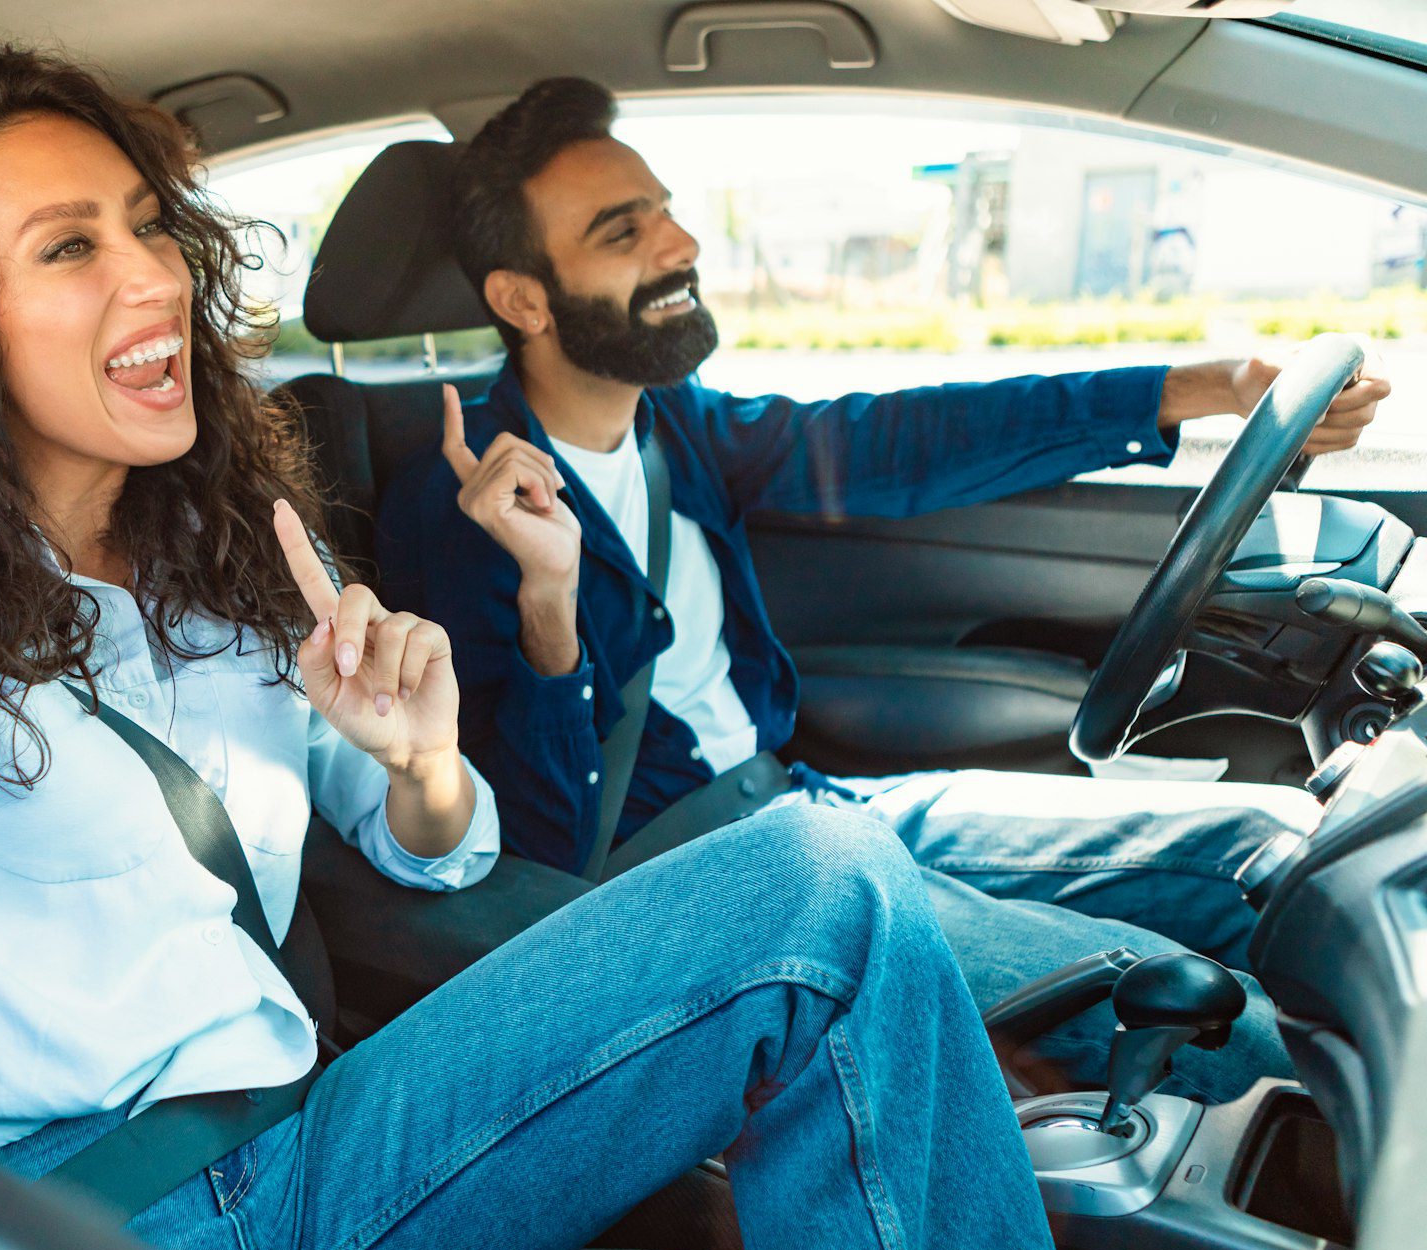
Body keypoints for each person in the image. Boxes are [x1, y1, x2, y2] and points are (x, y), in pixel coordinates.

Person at [0, 47, 1076, 1250]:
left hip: (318, 1145)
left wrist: (425, 765)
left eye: (150, 225)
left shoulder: (230, 548)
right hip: (62, 1239)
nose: (155, 277)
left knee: (828, 879)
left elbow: (428, 857)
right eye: (72, 246)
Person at [378, 77, 1393, 1104]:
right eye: (621, 231)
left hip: (802, 806)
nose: (679, 244)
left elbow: (903, 436)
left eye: (667, 211)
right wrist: (547, 602)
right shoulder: (453, 511)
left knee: (1270, 850)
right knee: (1216, 1024)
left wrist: (1205, 388)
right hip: (700, 890)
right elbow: (534, 847)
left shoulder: (674, 424)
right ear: (522, 299)